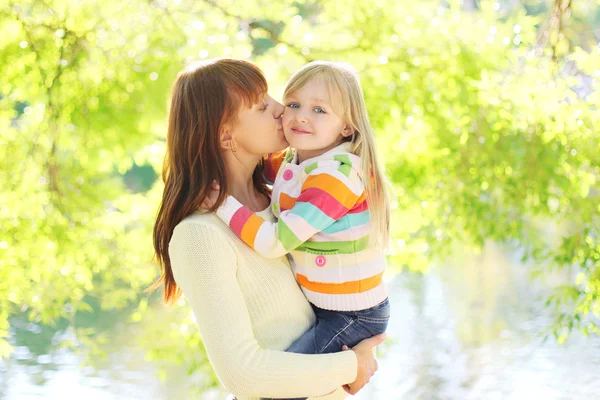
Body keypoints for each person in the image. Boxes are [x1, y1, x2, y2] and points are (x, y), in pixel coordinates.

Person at [151, 58, 385, 400]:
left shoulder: (284, 198)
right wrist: (353, 364)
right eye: (262, 105)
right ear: (225, 134)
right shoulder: (200, 235)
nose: (281, 111)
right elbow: (244, 375)